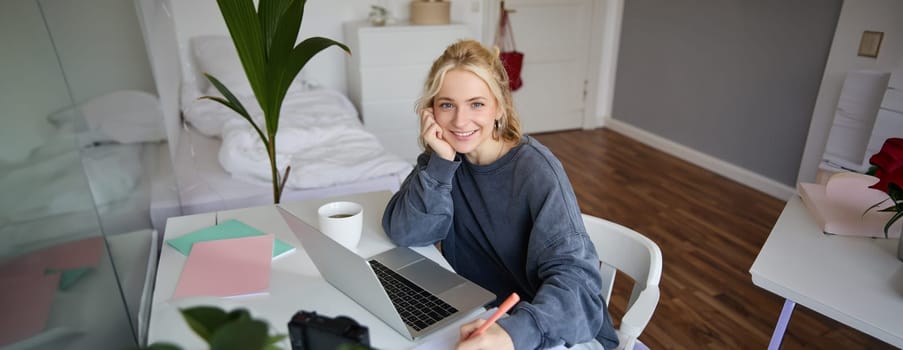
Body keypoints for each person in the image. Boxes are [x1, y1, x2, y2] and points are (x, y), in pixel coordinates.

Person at [381, 39, 619, 350]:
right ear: (431, 111)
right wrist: (440, 164)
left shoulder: (535, 171)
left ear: (499, 107)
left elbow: (580, 288)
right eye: (447, 104)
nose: (460, 121)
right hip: (484, 316)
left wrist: (510, 334)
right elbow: (406, 232)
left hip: (551, 329)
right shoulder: (444, 158)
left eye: (476, 104)